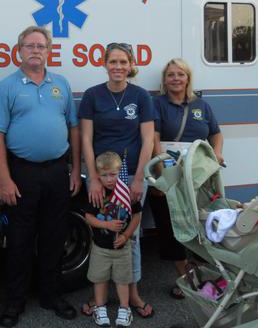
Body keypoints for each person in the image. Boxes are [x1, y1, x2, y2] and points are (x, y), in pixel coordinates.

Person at [0, 26, 81, 327]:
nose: (36, 50)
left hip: (56, 171)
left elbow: (73, 128)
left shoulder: (61, 84)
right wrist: (5, 179)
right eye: (30, 46)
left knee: (55, 237)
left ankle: (51, 295)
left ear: (49, 50)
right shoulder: (7, 87)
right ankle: (15, 302)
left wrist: (75, 169)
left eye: (41, 46)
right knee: (19, 240)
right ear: (19, 51)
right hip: (21, 172)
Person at [79, 42, 155, 319]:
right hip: (100, 178)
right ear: (104, 63)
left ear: (131, 64)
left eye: (123, 62)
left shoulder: (141, 96)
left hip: (130, 177)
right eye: (113, 62)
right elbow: (86, 139)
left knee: (130, 235)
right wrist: (95, 180)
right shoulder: (92, 95)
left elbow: (147, 139)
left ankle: (132, 293)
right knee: (99, 233)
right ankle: (97, 294)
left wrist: (138, 178)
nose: (118, 67)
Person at [150, 58, 223, 299]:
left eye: (180, 74)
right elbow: (154, 139)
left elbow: (216, 133)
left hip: (199, 176)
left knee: (201, 222)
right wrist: (160, 176)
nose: (175, 78)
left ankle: (202, 271)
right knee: (170, 224)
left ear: (188, 78)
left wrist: (217, 154)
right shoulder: (157, 104)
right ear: (165, 80)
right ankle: (186, 277)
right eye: (170, 74)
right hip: (169, 172)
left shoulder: (202, 105)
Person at [85, 152, 140, 327]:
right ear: (98, 175)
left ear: (120, 173)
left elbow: (137, 216)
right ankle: (100, 307)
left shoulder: (126, 192)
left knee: (123, 279)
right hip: (101, 248)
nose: (109, 179)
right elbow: (88, 217)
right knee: (99, 279)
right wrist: (106, 225)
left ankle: (124, 308)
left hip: (122, 247)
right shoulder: (96, 194)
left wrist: (125, 235)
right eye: (104, 175)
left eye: (113, 175)